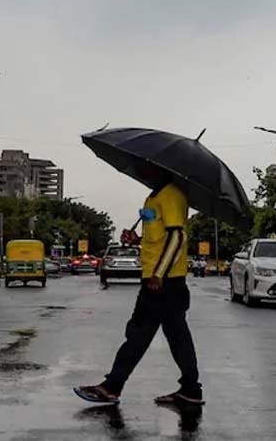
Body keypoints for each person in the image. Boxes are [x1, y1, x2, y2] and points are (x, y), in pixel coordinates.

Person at [74, 168, 203, 407]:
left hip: (164, 283)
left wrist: (158, 274)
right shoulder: (153, 197)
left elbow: (177, 238)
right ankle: (191, 389)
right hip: (158, 281)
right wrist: (137, 240)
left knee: (139, 334)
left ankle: (112, 387)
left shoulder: (173, 195)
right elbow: (158, 239)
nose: (144, 174)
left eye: (148, 169)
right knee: (175, 337)